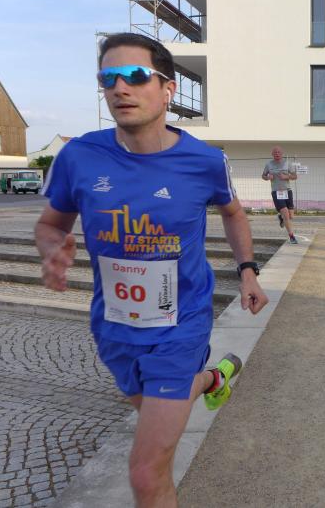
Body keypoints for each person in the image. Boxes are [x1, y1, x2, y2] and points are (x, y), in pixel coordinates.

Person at [35, 32, 268, 508]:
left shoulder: (205, 161)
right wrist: (51, 248)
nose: (120, 88)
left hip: (181, 327)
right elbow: (50, 224)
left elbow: (233, 213)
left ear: (167, 89)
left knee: (146, 472)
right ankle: (212, 380)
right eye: (108, 78)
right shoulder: (79, 156)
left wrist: (247, 270)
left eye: (136, 76)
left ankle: (198, 376)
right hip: (115, 327)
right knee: (157, 408)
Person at [261, 146, 298, 244]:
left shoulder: (287, 163)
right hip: (276, 191)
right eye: (275, 152)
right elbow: (263, 176)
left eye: (279, 152)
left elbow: (295, 176)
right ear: (272, 154)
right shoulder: (269, 164)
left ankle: (281, 218)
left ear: (282, 154)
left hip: (287, 191)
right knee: (285, 213)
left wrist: (286, 176)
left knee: (291, 216)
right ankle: (291, 236)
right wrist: (268, 177)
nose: (277, 154)